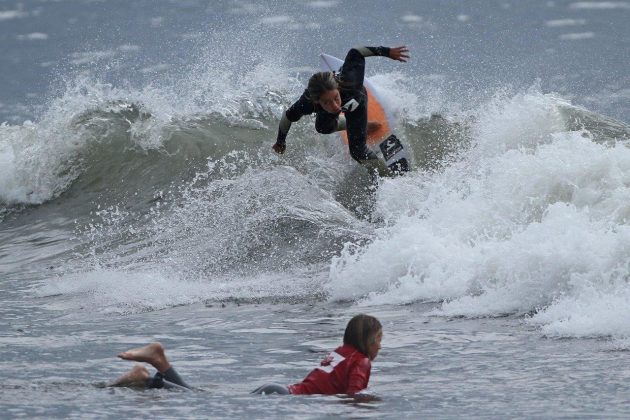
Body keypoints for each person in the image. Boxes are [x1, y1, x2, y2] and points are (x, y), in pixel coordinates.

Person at [110, 314, 383, 397]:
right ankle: (151, 375)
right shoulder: (361, 360)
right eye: (379, 340)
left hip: (279, 390)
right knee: (198, 397)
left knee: (200, 395)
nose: (380, 346)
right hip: (281, 397)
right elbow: (354, 397)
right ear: (368, 341)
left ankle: (158, 367)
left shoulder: (341, 353)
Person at [272, 46, 409, 167]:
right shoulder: (307, 103)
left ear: (338, 88)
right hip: (328, 111)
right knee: (322, 128)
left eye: (336, 98)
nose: (335, 105)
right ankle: (355, 126)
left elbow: (356, 52)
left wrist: (387, 52)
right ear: (317, 101)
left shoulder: (350, 82)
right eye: (327, 102)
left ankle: (383, 174)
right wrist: (280, 142)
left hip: (357, 102)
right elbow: (287, 116)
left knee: (357, 152)